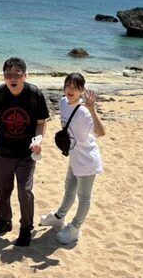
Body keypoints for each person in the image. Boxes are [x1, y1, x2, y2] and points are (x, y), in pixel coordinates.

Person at [0, 57, 49, 247]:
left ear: (25, 76)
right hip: (2, 151)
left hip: (26, 154)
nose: (13, 78)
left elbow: (41, 122)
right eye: (8, 74)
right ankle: (4, 220)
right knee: (0, 189)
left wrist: (39, 140)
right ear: (3, 76)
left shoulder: (34, 94)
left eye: (17, 75)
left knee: (24, 190)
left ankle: (26, 227)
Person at [39, 72, 105, 244]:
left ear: (82, 90)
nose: (70, 89)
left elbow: (101, 132)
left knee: (83, 197)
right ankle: (59, 217)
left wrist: (92, 109)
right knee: (69, 189)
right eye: (68, 85)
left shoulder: (84, 112)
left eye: (75, 87)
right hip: (74, 157)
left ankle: (75, 228)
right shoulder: (63, 102)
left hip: (87, 161)